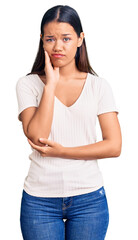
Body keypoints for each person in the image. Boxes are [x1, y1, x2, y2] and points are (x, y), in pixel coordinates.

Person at [16, 5, 122, 240]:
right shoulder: (28, 84)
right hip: (39, 201)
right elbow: (37, 137)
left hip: (89, 200)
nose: (58, 46)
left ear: (80, 39)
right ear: (42, 41)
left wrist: (63, 151)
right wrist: (50, 85)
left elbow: (114, 146)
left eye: (66, 38)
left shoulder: (98, 86)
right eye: (50, 39)